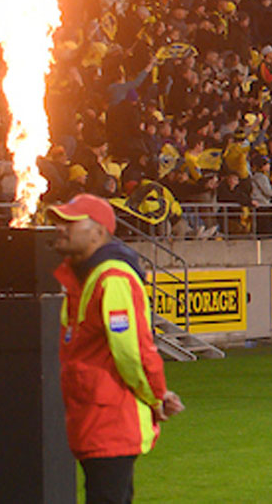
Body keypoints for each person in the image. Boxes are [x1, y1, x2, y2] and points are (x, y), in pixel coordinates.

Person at [49, 194, 184, 504]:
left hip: (109, 419)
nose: (60, 227)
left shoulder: (112, 277)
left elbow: (132, 349)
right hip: (97, 418)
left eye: (71, 221)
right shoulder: (90, 276)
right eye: (59, 221)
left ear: (99, 232)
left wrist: (157, 395)